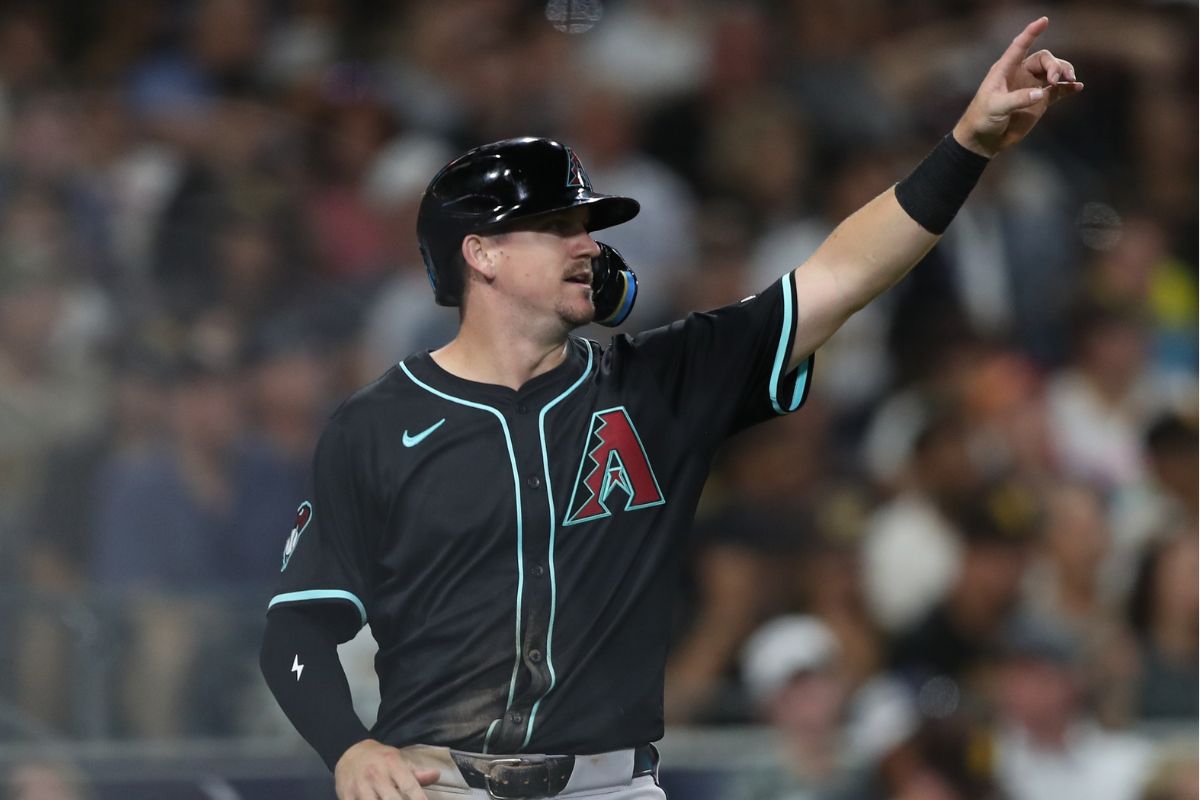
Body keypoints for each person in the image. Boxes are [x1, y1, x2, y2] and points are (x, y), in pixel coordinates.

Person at [259, 17, 1081, 800]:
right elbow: (296, 634)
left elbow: (837, 278)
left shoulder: (659, 382)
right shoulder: (375, 425)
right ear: (481, 254)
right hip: (438, 781)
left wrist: (967, 145)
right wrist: (349, 745)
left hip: (612, 783)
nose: (589, 242)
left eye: (588, 224)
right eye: (556, 225)